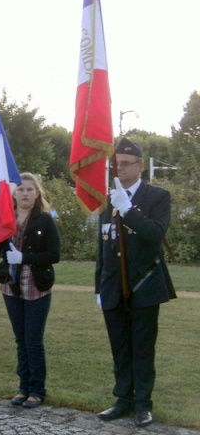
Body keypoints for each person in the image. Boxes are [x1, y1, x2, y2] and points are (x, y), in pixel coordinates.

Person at [95, 138, 176, 428]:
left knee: (142, 347)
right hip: (113, 286)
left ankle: (143, 404)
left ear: (141, 166)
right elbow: (103, 247)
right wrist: (98, 288)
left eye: (126, 164)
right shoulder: (108, 199)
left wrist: (128, 210)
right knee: (119, 347)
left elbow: (154, 234)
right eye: (116, 164)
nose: (120, 169)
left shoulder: (157, 196)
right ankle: (122, 399)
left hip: (144, 284)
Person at [0, 172, 60, 408]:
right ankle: (23, 388)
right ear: (13, 194)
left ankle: (37, 390)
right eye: (21, 190)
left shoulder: (44, 220)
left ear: (37, 193)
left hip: (36, 286)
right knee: (20, 339)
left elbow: (54, 254)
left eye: (30, 189)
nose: (25, 193)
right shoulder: (6, 218)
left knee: (33, 340)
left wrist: (24, 257)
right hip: (11, 286)